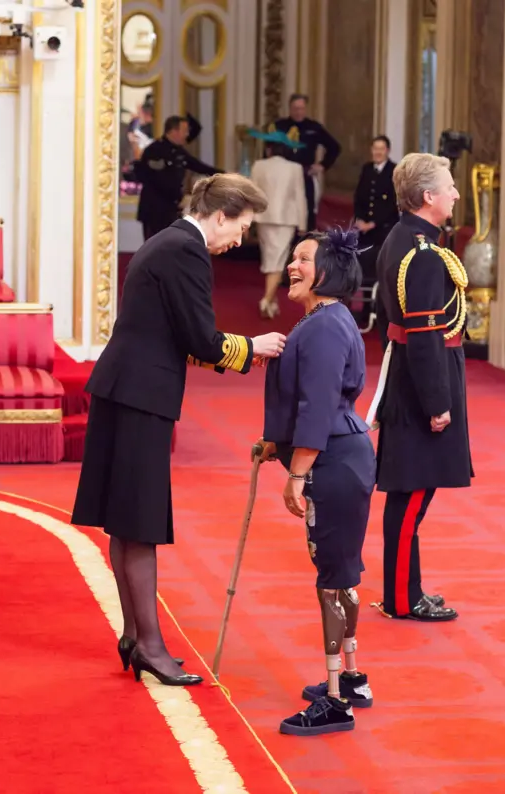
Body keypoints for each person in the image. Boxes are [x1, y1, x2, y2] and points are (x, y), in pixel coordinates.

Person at [71, 173, 286, 686]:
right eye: (241, 227)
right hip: (141, 395)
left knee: (126, 524)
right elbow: (201, 339)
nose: (239, 240)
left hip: (123, 389)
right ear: (219, 215)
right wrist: (253, 349)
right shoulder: (187, 250)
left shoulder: (167, 241)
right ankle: (149, 645)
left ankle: (135, 636)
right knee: (140, 523)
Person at [257, 228, 376, 737]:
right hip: (341, 456)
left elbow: (319, 406)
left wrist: (297, 474)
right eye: (294, 257)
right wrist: (274, 444)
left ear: (327, 270)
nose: (293, 266)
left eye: (304, 258)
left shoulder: (324, 326)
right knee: (340, 573)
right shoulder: (327, 319)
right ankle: (351, 680)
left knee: (333, 579)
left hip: (333, 463)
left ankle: (335, 702)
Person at [371, 152, 472, 622]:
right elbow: (426, 334)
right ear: (428, 197)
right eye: (449, 187)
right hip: (421, 384)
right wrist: (439, 403)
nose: (455, 193)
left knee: (412, 496)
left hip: (412, 375)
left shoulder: (405, 239)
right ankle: (400, 598)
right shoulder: (422, 253)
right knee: (412, 496)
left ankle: (406, 590)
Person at [250, 130, 308, 319]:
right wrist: (303, 223)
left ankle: (271, 302)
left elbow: (252, 193)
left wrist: (248, 218)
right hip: (286, 219)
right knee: (279, 260)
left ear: (269, 149)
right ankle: (266, 300)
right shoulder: (295, 167)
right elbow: (300, 196)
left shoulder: (258, 165)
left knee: (270, 258)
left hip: (263, 217)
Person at [135, 115, 221, 241]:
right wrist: (179, 197)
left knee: (169, 247)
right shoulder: (154, 150)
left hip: (170, 209)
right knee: (153, 249)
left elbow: (198, 166)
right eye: (184, 131)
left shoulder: (179, 151)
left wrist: (223, 175)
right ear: (174, 131)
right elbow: (157, 181)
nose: (187, 134)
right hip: (154, 209)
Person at [269, 93, 341, 231]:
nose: (298, 112)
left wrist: (322, 165)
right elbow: (268, 150)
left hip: (305, 176)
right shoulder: (279, 127)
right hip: (283, 177)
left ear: (305, 108)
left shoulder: (314, 127)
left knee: (307, 212)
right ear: (290, 108)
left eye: (301, 108)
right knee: (283, 210)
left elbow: (335, 147)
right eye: (295, 108)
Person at [352, 135, 399, 328]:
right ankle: (365, 310)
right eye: (375, 148)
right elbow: (359, 197)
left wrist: (374, 222)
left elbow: (392, 204)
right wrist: (360, 219)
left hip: (384, 231)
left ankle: (381, 311)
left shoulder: (394, 170)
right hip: (365, 232)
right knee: (365, 270)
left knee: (382, 271)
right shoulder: (366, 169)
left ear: (387, 150)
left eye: (381, 149)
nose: (378, 152)